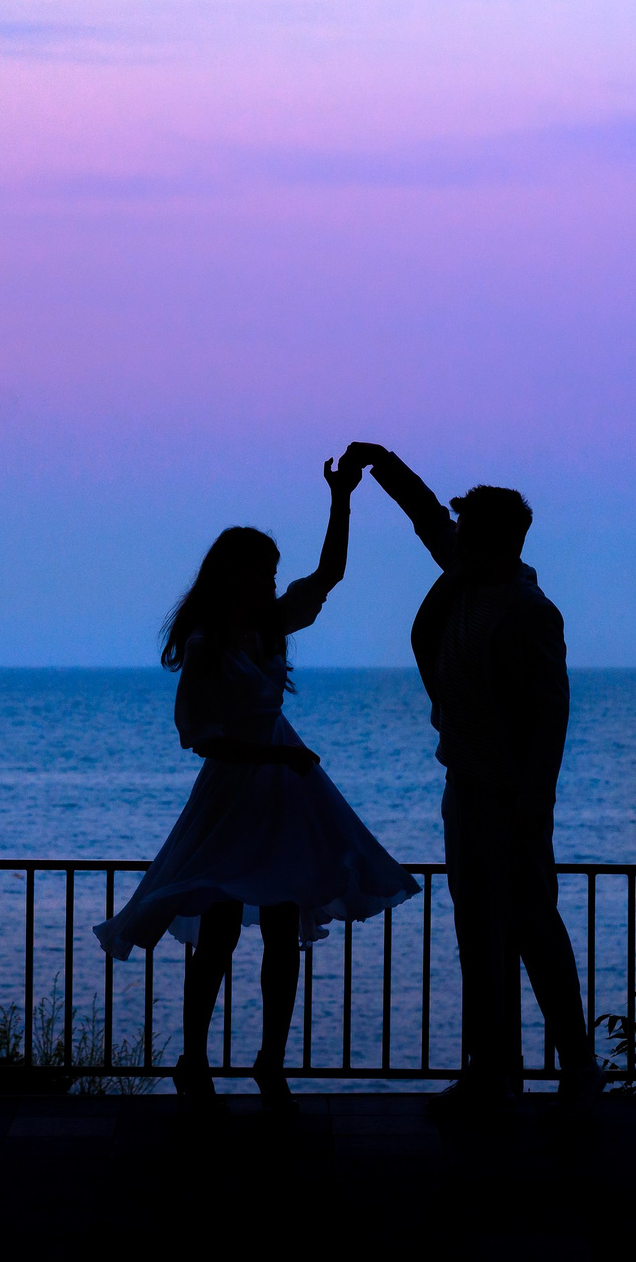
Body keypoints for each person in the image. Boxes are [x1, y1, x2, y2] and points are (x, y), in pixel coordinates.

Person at [95, 449, 419, 1112]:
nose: (274, 582)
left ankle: (269, 1059)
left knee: (279, 924)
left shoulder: (270, 626)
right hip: (243, 786)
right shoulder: (209, 642)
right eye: (265, 572)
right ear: (235, 575)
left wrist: (342, 497)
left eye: (274, 572)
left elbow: (328, 573)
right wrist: (278, 760)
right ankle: (194, 1057)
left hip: (282, 786)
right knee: (218, 924)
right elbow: (200, 735)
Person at [347, 444, 602, 1115]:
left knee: (533, 929)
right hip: (464, 785)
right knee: (475, 930)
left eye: (467, 527)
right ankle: (493, 1071)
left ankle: (577, 1068)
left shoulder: (528, 609)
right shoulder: (462, 575)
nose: (453, 534)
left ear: (494, 538)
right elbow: (425, 512)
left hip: (512, 795)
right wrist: (381, 462)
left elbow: (553, 711)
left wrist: (534, 801)